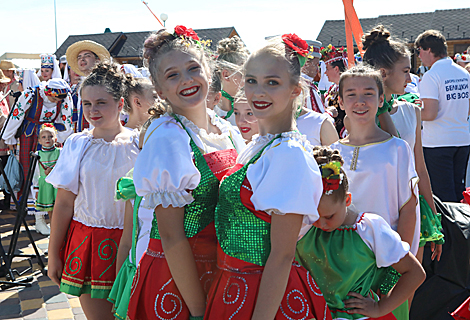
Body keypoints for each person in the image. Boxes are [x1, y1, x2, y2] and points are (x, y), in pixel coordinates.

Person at [204, 33, 331, 320]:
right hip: (233, 285)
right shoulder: (261, 146)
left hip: (265, 295)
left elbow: (283, 255)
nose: (258, 91)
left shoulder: (288, 154)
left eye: (272, 82)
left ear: (295, 90)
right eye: (251, 80)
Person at [127, 25, 244, 320]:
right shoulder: (168, 137)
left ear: (208, 70)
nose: (187, 80)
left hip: (223, 267)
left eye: (193, 68)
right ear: (159, 87)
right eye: (172, 75)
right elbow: (171, 235)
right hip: (179, 280)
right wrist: (198, 310)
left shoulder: (226, 130)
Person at [46, 62, 140, 320]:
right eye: (87, 103)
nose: (93, 110)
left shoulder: (140, 143)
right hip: (88, 242)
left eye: (101, 102)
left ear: (120, 104)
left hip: (134, 242)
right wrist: (53, 254)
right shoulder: (78, 144)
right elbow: (64, 203)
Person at [295, 146, 425, 319]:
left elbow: (415, 273)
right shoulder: (303, 227)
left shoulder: (370, 229)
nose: (321, 223)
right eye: (314, 215)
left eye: (329, 216)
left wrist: (380, 308)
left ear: (347, 200)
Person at [363, 25, 444, 263]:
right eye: (406, 71)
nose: (410, 79)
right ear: (383, 73)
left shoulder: (412, 111)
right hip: (376, 211)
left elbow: (420, 167)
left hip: (412, 208)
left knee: (409, 287)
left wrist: (433, 215)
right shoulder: (362, 116)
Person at [331, 65, 419, 256]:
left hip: (385, 255)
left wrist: (398, 260)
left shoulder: (397, 149)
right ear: (341, 101)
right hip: (343, 256)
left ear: (381, 100)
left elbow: (409, 209)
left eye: (368, 93)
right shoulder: (332, 152)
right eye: (351, 94)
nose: (360, 101)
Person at [415, 30, 470, 202]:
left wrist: (410, 111)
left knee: (442, 196)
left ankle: (449, 229)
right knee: (458, 191)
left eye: (418, 51)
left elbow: (430, 114)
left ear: (428, 49)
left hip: (438, 143)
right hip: (462, 140)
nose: (418, 56)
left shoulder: (432, 76)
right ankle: (463, 227)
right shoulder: (464, 73)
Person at [66, 40, 111, 132]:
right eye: (79, 57)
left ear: (97, 60)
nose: (82, 59)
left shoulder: (106, 83)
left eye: (87, 56)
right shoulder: (77, 87)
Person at [31, 124, 61, 235]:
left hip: (58, 185)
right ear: (39, 141)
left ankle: (59, 229)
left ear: (56, 139)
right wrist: (37, 189)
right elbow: (36, 174)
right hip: (45, 185)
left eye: (50, 136)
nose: (47, 139)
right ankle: (54, 231)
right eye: (44, 137)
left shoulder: (61, 152)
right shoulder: (38, 155)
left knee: (60, 208)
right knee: (50, 209)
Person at [214, 36, 249, 125]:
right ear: (226, 75)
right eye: (244, 74)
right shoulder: (209, 111)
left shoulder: (252, 110)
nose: (249, 81)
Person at [320, 45, 348, 137]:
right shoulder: (332, 88)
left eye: (327, 69)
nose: (325, 72)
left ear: (336, 69)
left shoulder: (348, 88)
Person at [302, 40, 326, 113]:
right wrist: (331, 112)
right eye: (316, 64)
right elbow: (316, 118)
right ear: (306, 64)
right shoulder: (306, 87)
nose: (317, 69)